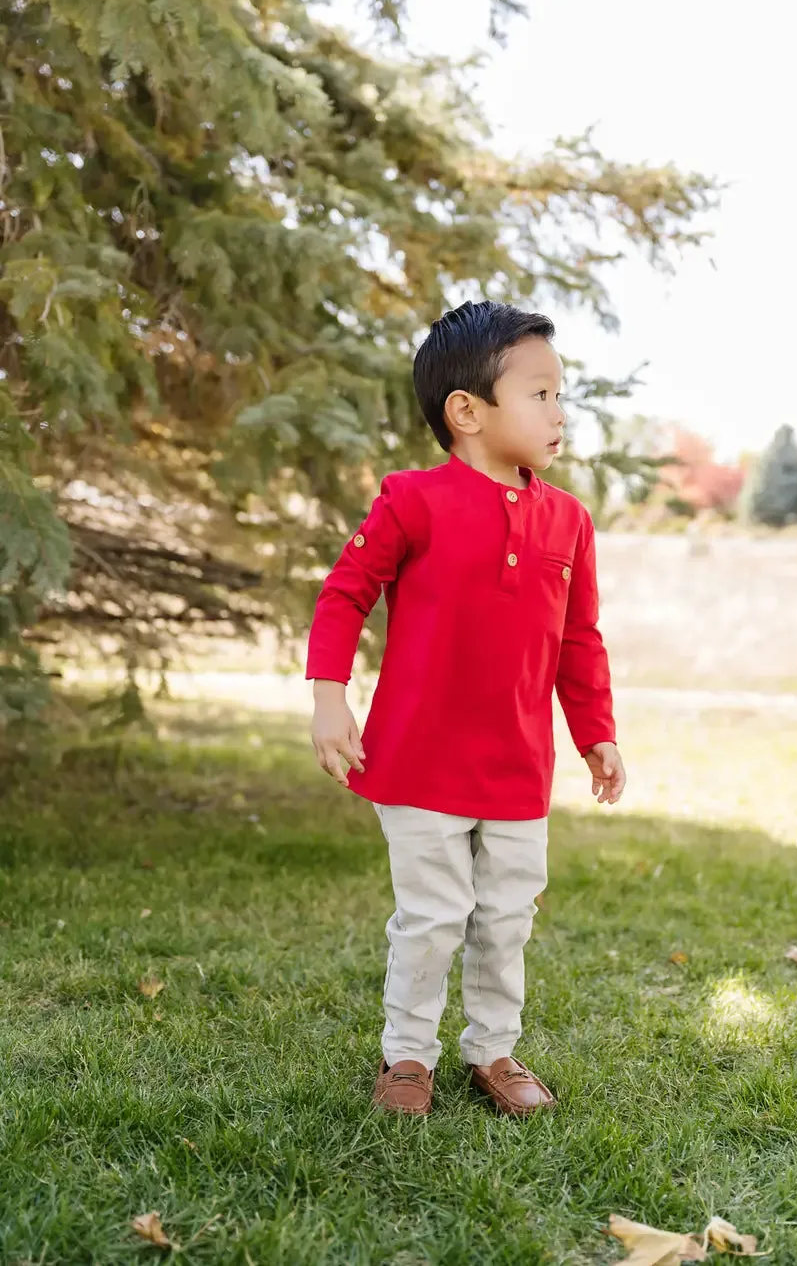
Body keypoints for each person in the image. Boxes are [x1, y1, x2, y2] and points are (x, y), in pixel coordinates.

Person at [306, 300, 627, 1117]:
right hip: (417, 762)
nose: (560, 412)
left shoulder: (569, 521)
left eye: (561, 394)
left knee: (506, 918)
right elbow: (346, 595)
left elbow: (578, 642)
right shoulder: (412, 500)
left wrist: (597, 736)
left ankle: (492, 1051)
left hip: (519, 768)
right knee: (433, 917)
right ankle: (406, 1056)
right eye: (541, 394)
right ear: (468, 412)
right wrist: (328, 700)